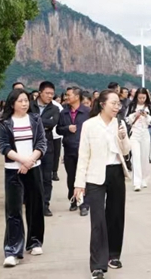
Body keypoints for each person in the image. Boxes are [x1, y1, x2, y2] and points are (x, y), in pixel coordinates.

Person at [73, 90, 131, 279]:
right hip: (95, 175)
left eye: (118, 104)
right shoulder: (89, 125)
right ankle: (98, 264)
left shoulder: (119, 123)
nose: (116, 107)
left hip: (116, 172)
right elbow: (83, 155)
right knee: (98, 220)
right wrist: (79, 183)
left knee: (116, 216)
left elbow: (126, 151)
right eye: (113, 103)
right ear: (102, 104)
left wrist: (123, 137)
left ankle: (114, 255)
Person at [0, 88, 47, 268]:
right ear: (12, 104)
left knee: (35, 205)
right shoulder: (5, 123)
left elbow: (41, 142)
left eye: (26, 100)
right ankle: (12, 250)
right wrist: (22, 161)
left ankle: (35, 241)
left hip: (34, 168)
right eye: (20, 101)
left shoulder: (35, 119)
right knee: (14, 210)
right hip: (13, 170)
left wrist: (30, 161)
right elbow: (4, 147)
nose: (24, 104)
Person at [57, 87, 91, 216]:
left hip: (84, 149)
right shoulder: (63, 113)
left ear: (77, 97)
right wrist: (67, 128)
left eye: (68, 95)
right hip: (69, 149)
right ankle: (73, 200)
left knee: (83, 177)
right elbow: (58, 129)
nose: (66, 97)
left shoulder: (87, 112)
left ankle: (84, 204)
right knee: (71, 176)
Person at [29, 81, 60, 217]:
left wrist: (35, 121)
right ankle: (33, 203)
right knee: (32, 177)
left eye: (52, 94)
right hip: (30, 145)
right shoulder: (30, 105)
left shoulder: (54, 108)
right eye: (47, 93)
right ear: (40, 93)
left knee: (47, 177)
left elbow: (53, 123)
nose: (50, 96)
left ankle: (45, 204)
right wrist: (43, 122)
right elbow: (26, 120)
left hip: (47, 145)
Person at [126, 88, 151, 191]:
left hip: (145, 133)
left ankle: (144, 179)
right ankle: (136, 181)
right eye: (140, 98)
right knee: (136, 157)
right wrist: (135, 114)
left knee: (144, 157)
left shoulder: (149, 106)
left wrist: (146, 116)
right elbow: (127, 120)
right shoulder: (132, 106)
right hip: (135, 133)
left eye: (144, 98)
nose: (142, 99)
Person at [51, 95, 64, 182]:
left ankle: (54, 172)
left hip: (56, 135)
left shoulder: (57, 106)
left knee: (56, 155)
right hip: (44, 135)